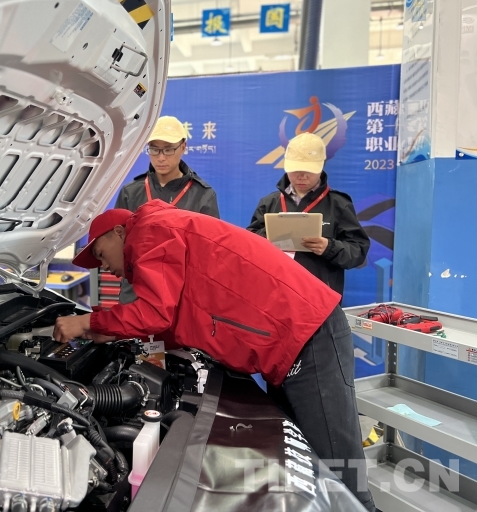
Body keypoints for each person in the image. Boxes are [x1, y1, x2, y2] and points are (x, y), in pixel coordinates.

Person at [54, 201, 376, 512]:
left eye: (101, 254)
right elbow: (174, 320)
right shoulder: (161, 232)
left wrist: (88, 323)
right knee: (308, 474)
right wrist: (115, 332)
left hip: (307, 332)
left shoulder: (150, 231)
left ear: (119, 232)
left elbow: (155, 313)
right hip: (290, 341)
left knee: (341, 478)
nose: (105, 268)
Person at [247, 132, 370, 297]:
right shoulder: (269, 203)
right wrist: (267, 237)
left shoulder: (339, 204)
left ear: (321, 167)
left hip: (320, 296)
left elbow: (358, 251)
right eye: (296, 170)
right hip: (276, 293)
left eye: (309, 171)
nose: (302, 176)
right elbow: (249, 243)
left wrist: (329, 247)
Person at [113, 115, 219, 303]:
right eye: (154, 149)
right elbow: (116, 243)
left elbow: (209, 253)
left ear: (183, 147)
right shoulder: (131, 192)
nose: (161, 157)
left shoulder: (203, 195)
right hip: (136, 293)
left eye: (168, 149)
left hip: (181, 295)